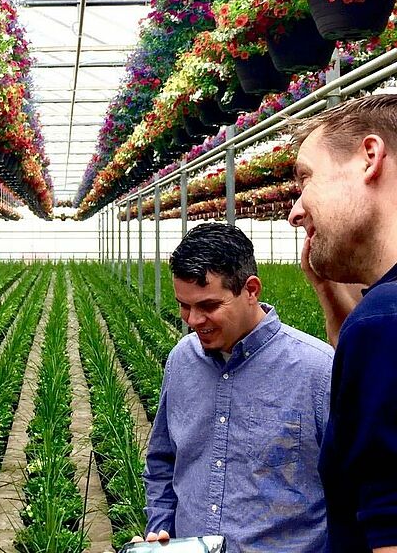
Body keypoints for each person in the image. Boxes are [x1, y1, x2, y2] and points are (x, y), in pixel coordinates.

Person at [142, 222, 333, 553]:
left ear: (251, 290)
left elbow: (353, 486)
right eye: (184, 305)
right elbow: (163, 460)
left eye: (209, 306)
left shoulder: (317, 369)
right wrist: (160, 531)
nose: (192, 320)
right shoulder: (181, 361)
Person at [288, 93, 397, 553]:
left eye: (305, 179)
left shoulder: (382, 325)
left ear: (369, 158)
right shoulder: (379, 320)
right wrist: (329, 293)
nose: (295, 211)